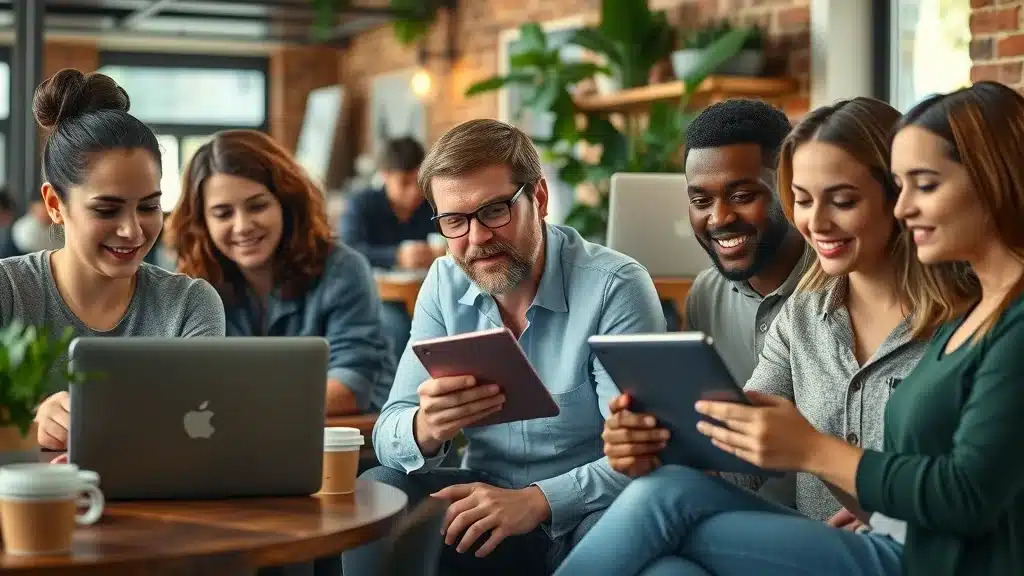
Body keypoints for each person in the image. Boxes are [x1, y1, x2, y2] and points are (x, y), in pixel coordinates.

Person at [558, 81, 1024, 576]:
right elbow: (739, 463)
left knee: (666, 504)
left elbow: (969, 491)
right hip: (837, 541)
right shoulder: (803, 316)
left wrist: (818, 455)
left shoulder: (975, 319)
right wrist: (652, 449)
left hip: (914, 557)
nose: (815, 223)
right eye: (801, 199)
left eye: (841, 199)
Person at [341, 119, 666, 576]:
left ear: (540, 198)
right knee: (378, 487)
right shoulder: (442, 282)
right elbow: (388, 431)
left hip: (585, 512)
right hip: (485, 500)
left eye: (494, 211)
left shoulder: (614, 286)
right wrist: (425, 427)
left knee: (618, 528)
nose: (477, 238)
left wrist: (538, 501)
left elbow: (644, 454)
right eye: (454, 221)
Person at [0, 69, 226, 451]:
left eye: (149, 206)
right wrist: (29, 420)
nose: (133, 232)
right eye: (107, 210)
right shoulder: (8, 290)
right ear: (55, 204)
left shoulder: (190, 305)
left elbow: (200, 432)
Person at [165, 129, 395, 417]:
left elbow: (349, 389)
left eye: (257, 205)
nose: (243, 226)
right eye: (223, 214)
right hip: (240, 446)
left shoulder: (344, 269)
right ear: (202, 223)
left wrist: (236, 406)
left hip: (343, 447)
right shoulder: (195, 285)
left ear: (286, 203)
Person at [339, 136, 442, 359]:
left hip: (429, 291)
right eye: (405, 183)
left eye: (419, 182)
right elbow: (346, 250)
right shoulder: (362, 203)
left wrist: (441, 252)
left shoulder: (433, 205)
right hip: (379, 295)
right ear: (385, 176)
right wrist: (397, 255)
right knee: (397, 329)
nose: (415, 192)